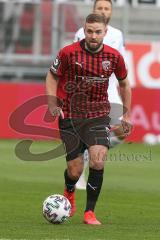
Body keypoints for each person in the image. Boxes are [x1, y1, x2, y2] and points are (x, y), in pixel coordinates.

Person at [46, 13, 131, 225]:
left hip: (98, 115)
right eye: (90, 31)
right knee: (75, 170)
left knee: (98, 159)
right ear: (84, 31)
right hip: (71, 115)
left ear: (105, 32)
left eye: (98, 32)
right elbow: (52, 75)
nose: (93, 36)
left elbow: (124, 84)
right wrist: (52, 103)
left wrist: (126, 113)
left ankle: (89, 212)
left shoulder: (114, 57)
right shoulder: (68, 52)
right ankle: (69, 190)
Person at [74, 0, 128, 190]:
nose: (103, 11)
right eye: (100, 8)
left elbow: (121, 64)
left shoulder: (117, 34)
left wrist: (123, 90)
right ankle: (80, 173)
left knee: (122, 131)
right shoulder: (82, 33)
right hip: (88, 93)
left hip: (111, 90)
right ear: (94, 10)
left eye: (106, 8)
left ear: (111, 12)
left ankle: (91, 153)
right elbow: (74, 60)